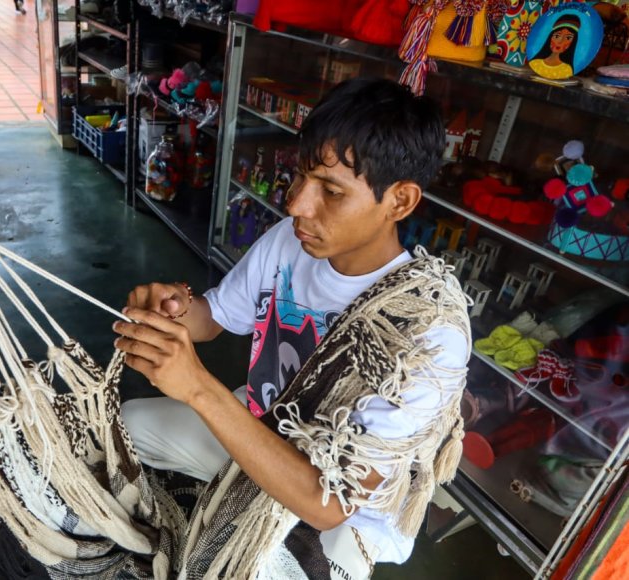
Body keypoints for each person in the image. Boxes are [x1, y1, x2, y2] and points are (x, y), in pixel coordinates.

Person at [113, 78, 470, 579]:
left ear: (400, 201)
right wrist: (175, 308)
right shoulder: (290, 241)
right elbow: (214, 318)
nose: (297, 204)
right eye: (301, 177)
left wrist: (197, 388)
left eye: (331, 191)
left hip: (342, 518)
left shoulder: (427, 328)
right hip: (260, 430)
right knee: (125, 428)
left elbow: (330, 502)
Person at [529, 14, 581, 79]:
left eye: (568, 38)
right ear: (550, 37)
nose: (560, 41)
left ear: (573, 42)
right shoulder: (535, 63)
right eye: (557, 36)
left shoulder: (567, 70)